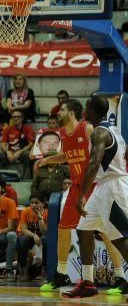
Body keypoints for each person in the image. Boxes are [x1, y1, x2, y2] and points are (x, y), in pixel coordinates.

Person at [36, 98, 126, 293]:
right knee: (71, 229)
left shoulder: (90, 130)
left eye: (62, 109)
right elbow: (68, 155)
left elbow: (96, 161)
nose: (57, 113)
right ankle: (70, 276)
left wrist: (84, 193)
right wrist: (48, 160)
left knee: (111, 233)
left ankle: (120, 275)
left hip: (97, 184)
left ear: (73, 112)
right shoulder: (63, 133)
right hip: (81, 185)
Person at [62, 95, 128, 298]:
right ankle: (88, 282)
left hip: (113, 188)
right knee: (83, 229)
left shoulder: (100, 132)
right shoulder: (112, 129)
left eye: (87, 107)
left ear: (91, 111)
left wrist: (82, 195)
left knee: (120, 238)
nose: (84, 111)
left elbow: (93, 163)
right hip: (103, 187)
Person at [17, 194, 47, 281]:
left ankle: (45, 270)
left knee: (45, 240)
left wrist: (40, 218)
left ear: (43, 203)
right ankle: (23, 269)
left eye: (36, 203)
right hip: (32, 236)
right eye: (31, 202)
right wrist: (34, 235)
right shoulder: (26, 211)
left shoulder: (47, 212)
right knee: (22, 240)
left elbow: (44, 232)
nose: (33, 205)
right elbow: (23, 229)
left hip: (43, 237)